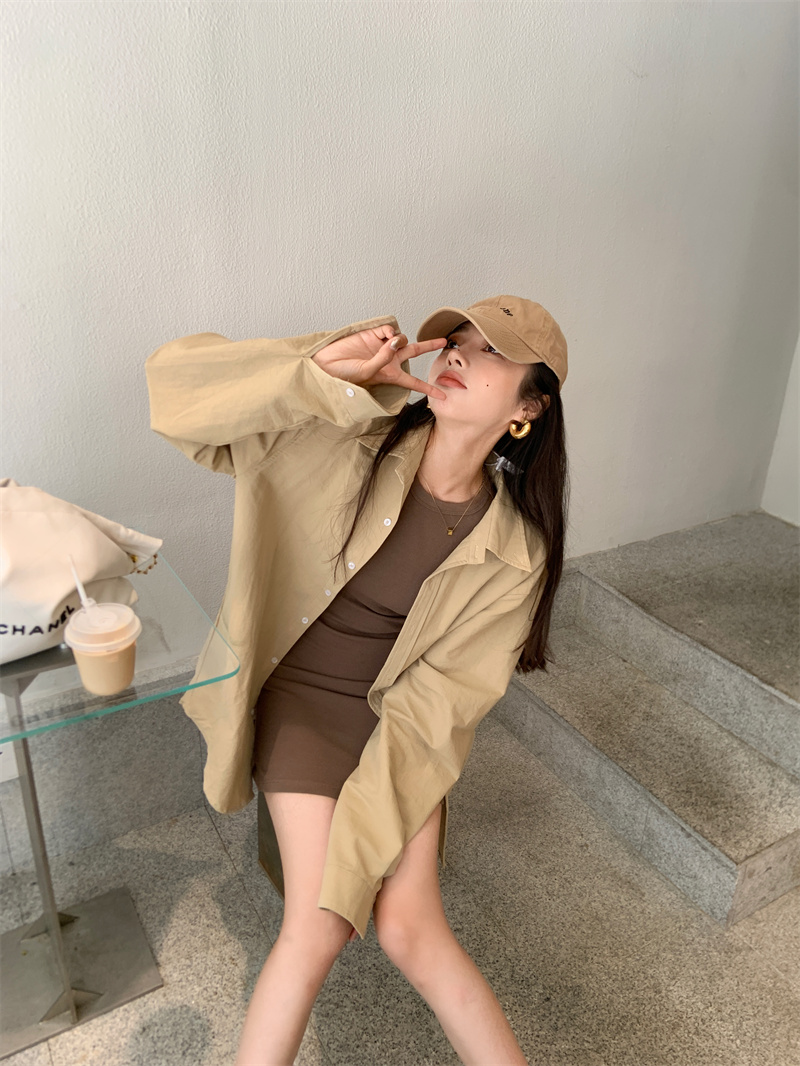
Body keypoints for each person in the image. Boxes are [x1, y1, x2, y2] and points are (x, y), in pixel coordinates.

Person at [144, 294, 568, 1066]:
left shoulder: (515, 551)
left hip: (396, 725)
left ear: (528, 409)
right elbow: (176, 394)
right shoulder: (343, 435)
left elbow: (439, 708)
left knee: (412, 929)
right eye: (457, 341)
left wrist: (371, 819)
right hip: (300, 701)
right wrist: (315, 371)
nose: (459, 354)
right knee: (318, 926)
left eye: (492, 352)